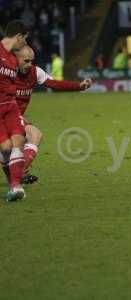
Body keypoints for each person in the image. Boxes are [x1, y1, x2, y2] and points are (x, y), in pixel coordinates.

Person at [0, 45, 92, 185]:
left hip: (14, 117)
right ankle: (17, 175)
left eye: (31, 61)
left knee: (30, 138)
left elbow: (54, 84)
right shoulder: (5, 73)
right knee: (30, 137)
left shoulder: (35, 72)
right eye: (25, 61)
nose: (29, 64)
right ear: (15, 59)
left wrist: (79, 86)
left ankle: (17, 174)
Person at [0, 20, 29, 201]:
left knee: (19, 139)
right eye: (24, 40)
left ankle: (16, 187)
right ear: (18, 36)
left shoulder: (12, 59)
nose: (24, 43)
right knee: (6, 147)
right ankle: (12, 178)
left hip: (10, 106)